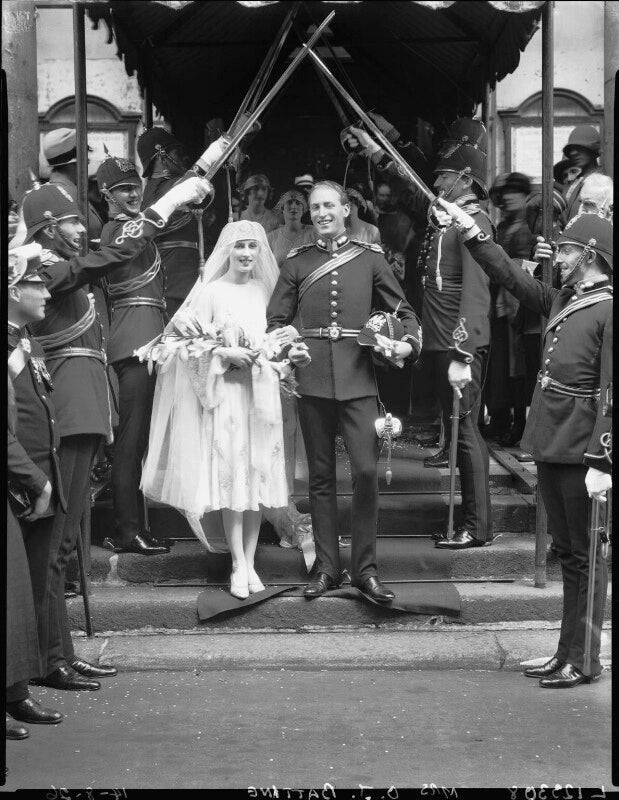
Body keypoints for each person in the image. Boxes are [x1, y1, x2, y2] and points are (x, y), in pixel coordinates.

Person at [20, 174, 211, 688]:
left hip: (88, 410)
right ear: (45, 230)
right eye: (70, 222)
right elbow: (102, 260)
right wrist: (163, 206)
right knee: (56, 542)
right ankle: (47, 658)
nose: (82, 229)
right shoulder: (46, 269)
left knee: (67, 546)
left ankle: (59, 651)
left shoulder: (62, 266)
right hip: (66, 411)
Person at [438, 201, 613, 688]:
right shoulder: (566, 299)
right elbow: (513, 280)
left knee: (587, 556)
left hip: (584, 447)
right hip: (554, 440)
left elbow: (611, 390)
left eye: (567, 251)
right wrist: (473, 234)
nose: (558, 258)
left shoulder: (608, 308)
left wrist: (604, 457)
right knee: (568, 552)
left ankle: (586, 658)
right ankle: (565, 652)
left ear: (590, 255)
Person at [266, 180, 422, 602]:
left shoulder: (370, 259)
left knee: (366, 473)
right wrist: (288, 346)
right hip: (312, 379)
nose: (321, 213)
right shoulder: (297, 261)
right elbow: (275, 322)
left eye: (329, 205)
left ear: (346, 208)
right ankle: (327, 568)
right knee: (320, 478)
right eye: (315, 207)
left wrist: (408, 342)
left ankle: (365, 570)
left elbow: (402, 311)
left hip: (358, 379)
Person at [347, 118, 495, 549]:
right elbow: (415, 192)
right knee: (458, 431)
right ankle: (471, 520)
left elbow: (476, 291)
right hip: (440, 341)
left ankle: (477, 524)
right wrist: (376, 149)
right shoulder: (448, 217)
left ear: (465, 178)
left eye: (445, 176)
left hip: (458, 344)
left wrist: (463, 351)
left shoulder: (474, 221)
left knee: (466, 435)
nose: (439, 183)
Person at [139, 220, 290, 599]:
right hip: (226, 398)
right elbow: (183, 345)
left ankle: (251, 560)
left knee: (257, 481)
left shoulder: (266, 290)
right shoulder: (212, 292)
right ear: (228, 250)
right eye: (239, 247)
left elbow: (281, 335)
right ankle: (237, 561)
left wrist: (270, 356)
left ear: (260, 252)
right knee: (233, 479)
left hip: (261, 398)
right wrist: (223, 353)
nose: (246, 254)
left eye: (252, 247)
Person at [95, 152, 170, 556]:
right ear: (107, 195)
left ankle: (135, 525)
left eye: (134, 187)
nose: (132, 194)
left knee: (139, 439)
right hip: (133, 343)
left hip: (150, 339)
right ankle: (126, 530)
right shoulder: (114, 233)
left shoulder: (136, 229)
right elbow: (145, 230)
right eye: (123, 189)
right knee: (130, 440)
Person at [7, 247, 64, 735]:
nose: (47, 291)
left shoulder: (26, 339)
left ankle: (16, 689)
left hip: (34, 470)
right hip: (19, 477)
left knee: (22, 590)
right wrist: (33, 478)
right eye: (37, 284)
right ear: (13, 290)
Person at [484, 172, 536, 446]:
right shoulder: (504, 225)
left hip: (519, 304)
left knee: (519, 369)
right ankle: (502, 418)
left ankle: (520, 423)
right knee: (502, 367)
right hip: (501, 304)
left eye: (516, 192)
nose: (509, 198)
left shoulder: (527, 226)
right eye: (507, 194)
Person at [138, 126, 210, 318]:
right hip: (175, 287)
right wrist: (219, 147)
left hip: (181, 282)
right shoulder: (160, 190)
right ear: (161, 157)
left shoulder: (158, 188)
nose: (185, 158)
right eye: (178, 153)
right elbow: (193, 179)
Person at [561, 124, 604, 222]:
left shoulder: (602, 182)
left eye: (579, 147)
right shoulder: (574, 181)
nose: (573, 153)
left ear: (593, 150)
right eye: (571, 149)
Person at [267, 190, 313, 268]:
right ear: (282, 209)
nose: (293, 206)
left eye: (298, 203)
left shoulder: (313, 233)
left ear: (303, 209)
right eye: (289, 202)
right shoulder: (272, 237)